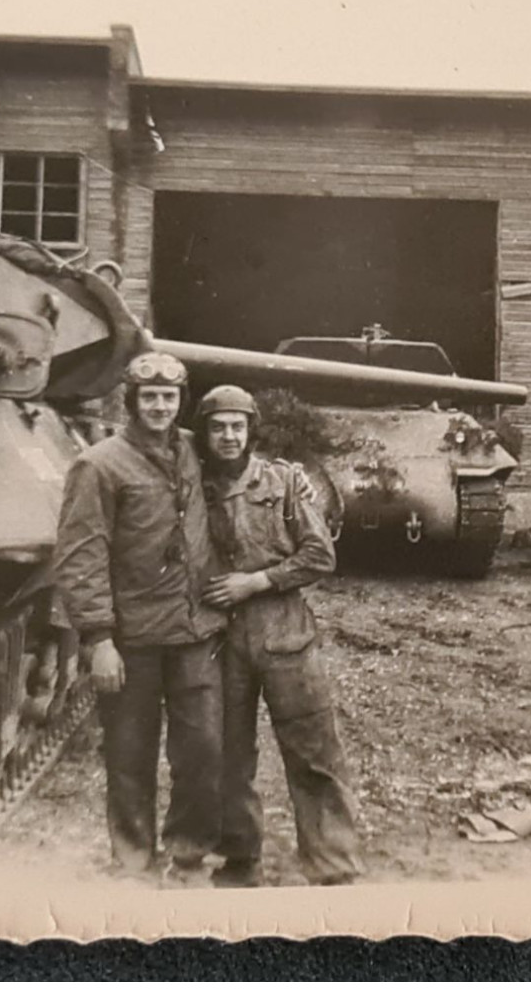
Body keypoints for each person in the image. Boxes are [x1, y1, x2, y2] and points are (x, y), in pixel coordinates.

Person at [54, 352, 226, 883]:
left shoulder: (196, 454)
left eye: (168, 398)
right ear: (132, 401)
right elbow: (81, 552)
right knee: (129, 755)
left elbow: (248, 475)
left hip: (195, 630)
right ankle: (132, 858)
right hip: (132, 638)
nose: (159, 406)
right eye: (148, 397)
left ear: (181, 402)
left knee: (201, 750)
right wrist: (98, 637)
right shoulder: (99, 464)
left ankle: (189, 851)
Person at [195, 384, 364, 888]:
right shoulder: (192, 487)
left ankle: (334, 867)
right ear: (205, 434)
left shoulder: (284, 483)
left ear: (251, 432)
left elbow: (320, 556)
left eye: (237, 427)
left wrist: (257, 581)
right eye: (218, 427)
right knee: (228, 756)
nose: (228, 437)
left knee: (314, 753)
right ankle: (239, 859)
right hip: (221, 640)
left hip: (285, 635)